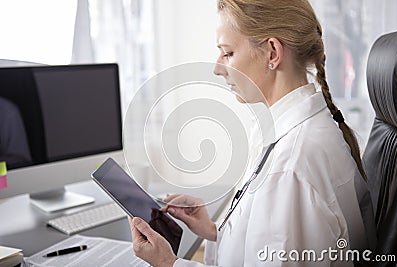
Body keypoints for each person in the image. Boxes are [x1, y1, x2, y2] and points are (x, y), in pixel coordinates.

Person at [128, 0, 376, 266]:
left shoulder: (290, 165)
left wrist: (169, 263)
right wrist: (214, 229)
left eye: (228, 52)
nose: (217, 68)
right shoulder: (291, 134)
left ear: (272, 52)